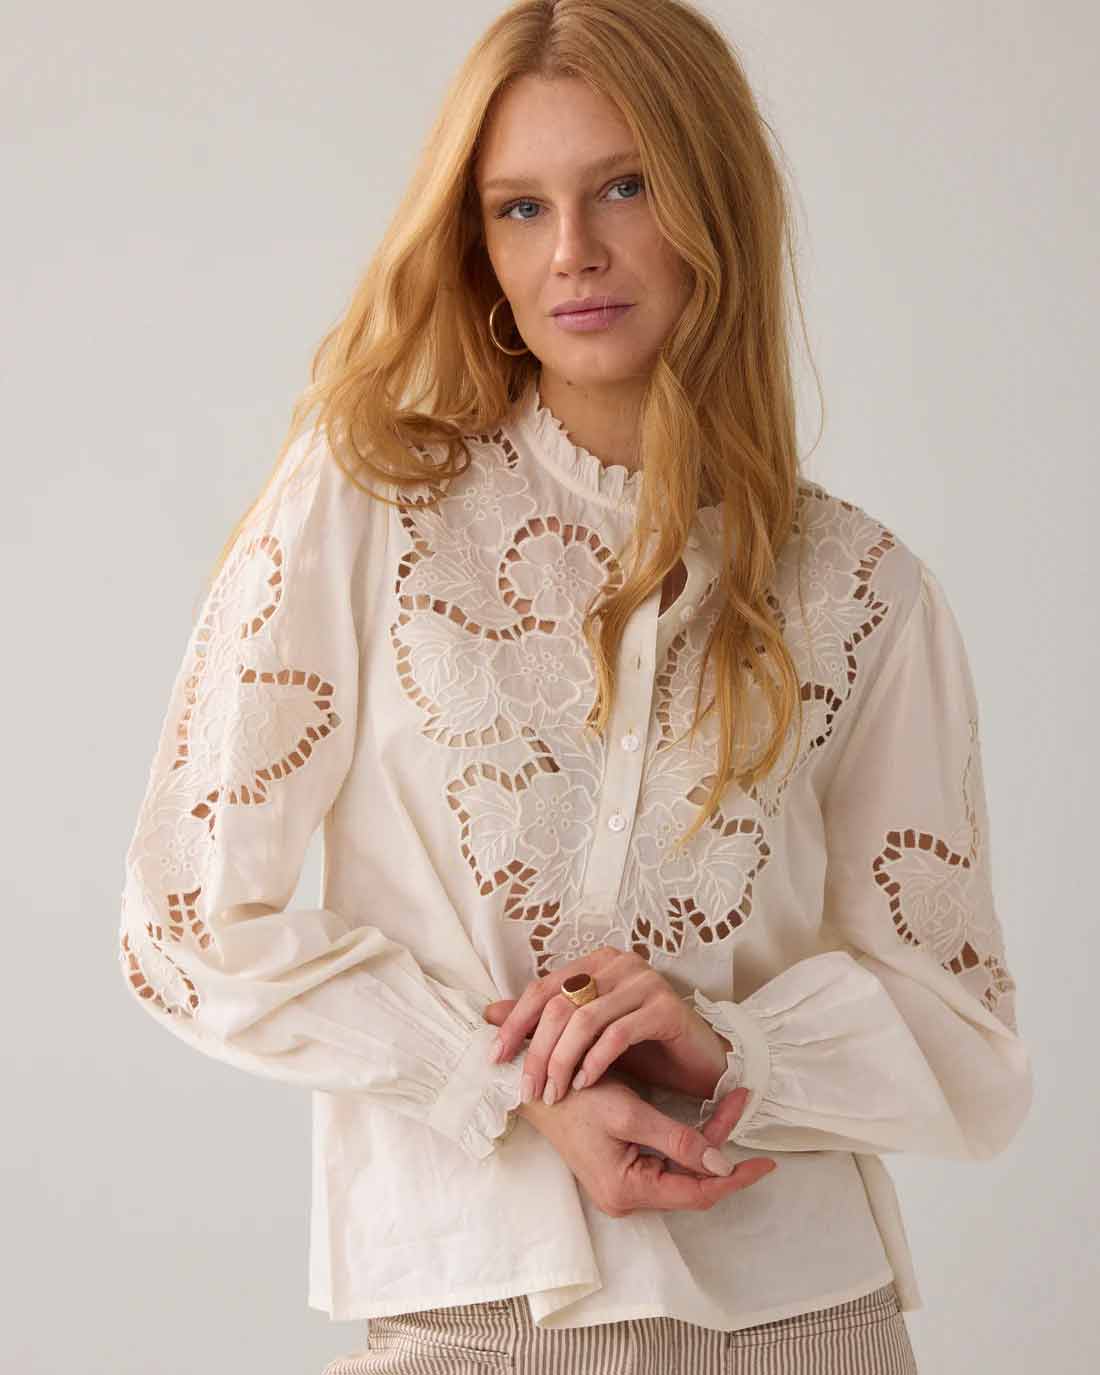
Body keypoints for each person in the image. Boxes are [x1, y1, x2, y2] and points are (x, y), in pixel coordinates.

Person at [117, 2, 1033, 1371]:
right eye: (520, 208)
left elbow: (968, 1048)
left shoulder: (860, 591)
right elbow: (186, 923)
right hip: (475, 1313)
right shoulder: (369, 511)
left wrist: (728, 1047)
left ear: (716, 201)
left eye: (626, 186)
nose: (574, 253)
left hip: (806, 1320)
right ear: (476, 245)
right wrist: (498, 1080)